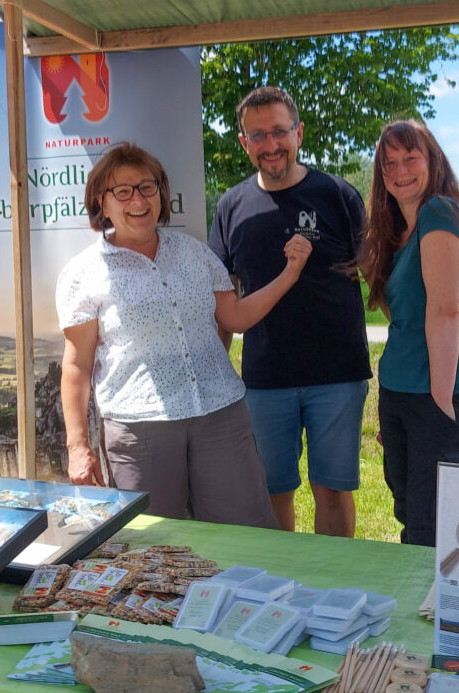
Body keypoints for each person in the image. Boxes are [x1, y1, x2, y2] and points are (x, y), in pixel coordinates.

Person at [55, 142, 312, 528]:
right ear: (101, 202)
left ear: (161, 194)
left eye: (147, 187)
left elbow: (236, 317)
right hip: (140, 429)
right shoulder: (83, 273)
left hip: (219, 414)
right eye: (122, 191)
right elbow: (77, 366)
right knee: (151, 549)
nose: (137, 199)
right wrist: (78, 447)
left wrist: (289, 275)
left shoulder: (195, 253)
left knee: (246, 536)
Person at [209, 86, 371, 537]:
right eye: (257, 135)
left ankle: (333, 587)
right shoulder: (230, 208)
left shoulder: (337, 195)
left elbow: (377, 275)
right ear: (244, 143)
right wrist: (214, 369)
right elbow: (222, 298)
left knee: (332, 490)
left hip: (337, 375)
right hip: (265, 379)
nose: (271, 144)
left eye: (279, 131)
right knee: (270, 492)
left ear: (298, 133)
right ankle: (284, 587)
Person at [358, 119, 459, 546]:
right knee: (412, 514)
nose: (399, 170)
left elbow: (446, 311)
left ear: (432, 160)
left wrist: (438, 405)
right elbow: (406, 312)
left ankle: (439, 610)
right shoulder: (398, 230)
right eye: (389, 162)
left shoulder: (440, 211)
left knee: (435, 529)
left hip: (440, 394)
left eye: (410, 158)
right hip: (400, 391)